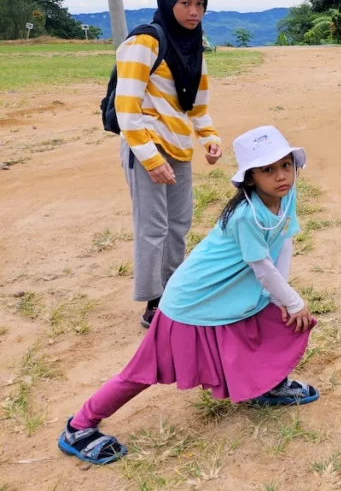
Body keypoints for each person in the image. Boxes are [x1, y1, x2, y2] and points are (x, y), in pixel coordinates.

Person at [58, 126, 319, 466]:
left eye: (286, 165)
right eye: (268, 170)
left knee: (267, 326)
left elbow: (284, 240)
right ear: (251, 179)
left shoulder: (286, 197)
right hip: (191, 301)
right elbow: (262, 269)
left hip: (231, 294)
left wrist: (280, 298)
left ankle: (265, 385)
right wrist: (292, 300)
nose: (281, 176)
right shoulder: (245, 215)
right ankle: (79, 427)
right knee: (143, 372)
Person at [115, 0, 223, 328]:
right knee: (152, 227)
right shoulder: (144, 43)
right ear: (168, 2)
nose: (194, 12)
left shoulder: (195, 45)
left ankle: (172, 291)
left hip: (178, 149)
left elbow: (198, 106)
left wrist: (209, 137)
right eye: (186, 3)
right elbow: (126, 107)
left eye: (200, 4)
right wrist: (149, 157)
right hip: (146, 147)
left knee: (178, 224)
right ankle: (153, 303)